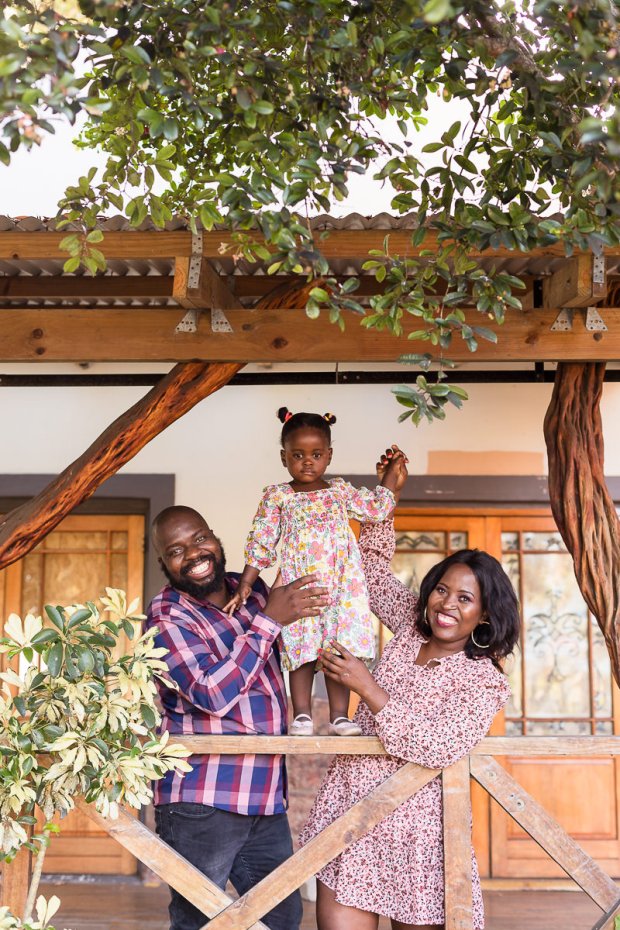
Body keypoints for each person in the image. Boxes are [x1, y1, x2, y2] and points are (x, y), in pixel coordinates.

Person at [300, 447, 521, 930]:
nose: (447, 604)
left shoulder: (483, 679)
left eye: (465, 598)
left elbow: (438, 746)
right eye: (441, 588)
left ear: (484, 614)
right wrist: (388, 496)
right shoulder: (409, 630)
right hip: (351, 815)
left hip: (420, 836)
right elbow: (373, 574)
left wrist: (368, 687)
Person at [146, 505, 329, 930]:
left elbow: (296, 640)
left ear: (214, 536)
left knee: (281, 916)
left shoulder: (252, 591)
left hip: (265, 796)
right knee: (197, 918)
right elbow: (212, 693)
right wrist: (267, 622)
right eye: (176, 550)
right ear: (163, 564)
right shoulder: (167, 617)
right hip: (202, 798)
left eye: (199, 538)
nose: (193, 553)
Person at [224, 407, 401, 738]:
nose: (307, 462)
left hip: (342, 590)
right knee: (301, 649)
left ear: (329, 456)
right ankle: (302, 715)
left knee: (338, 650)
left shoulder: (339, 492)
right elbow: (262, 540)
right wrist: (246, 583)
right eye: (298, 455)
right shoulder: (278, 496)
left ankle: (339, 717)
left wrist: (390, 479)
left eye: (316, 454)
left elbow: (376, 509)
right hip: (300, 589)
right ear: (283, 457)